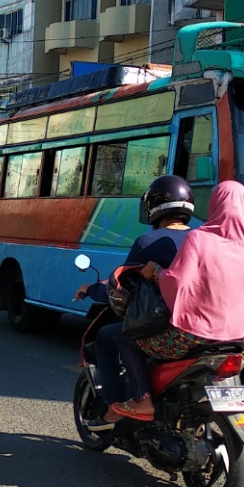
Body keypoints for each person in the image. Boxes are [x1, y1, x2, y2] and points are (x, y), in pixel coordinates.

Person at [109, 180, 244, 422]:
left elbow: (177, 282)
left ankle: (142, 400)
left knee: (127, 338)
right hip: (238, 339)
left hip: (195, 335)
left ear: (214, 204)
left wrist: (154, 273)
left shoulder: (199, 239)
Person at [76, 175, 195, 421]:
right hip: (211, 328)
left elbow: (122, 290)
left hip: (170, 327)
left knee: (110, 335)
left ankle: (120, 403)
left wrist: (90, 290)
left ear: (153, 207)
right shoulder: (203, 239)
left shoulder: (148, 241)